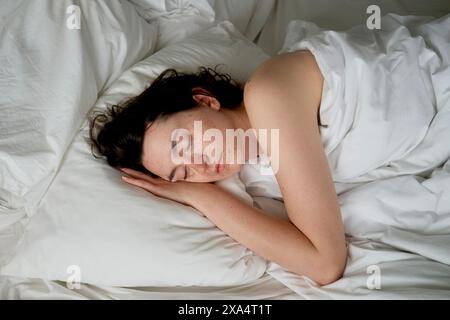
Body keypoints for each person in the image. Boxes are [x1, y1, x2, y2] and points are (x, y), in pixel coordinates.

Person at [89, 50, 347, 286]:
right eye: (183, 174)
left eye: (187, 144)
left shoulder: (267, 95)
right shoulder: (253, 172)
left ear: (205, 100)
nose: (200, 165)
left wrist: (200, 195)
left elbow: (325, 264)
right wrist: (198, 194)